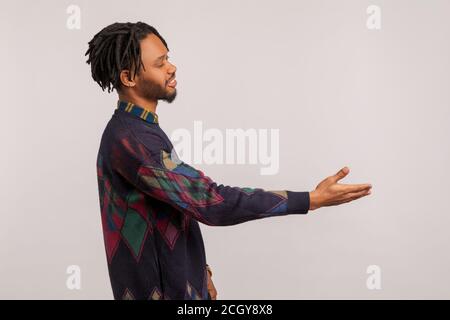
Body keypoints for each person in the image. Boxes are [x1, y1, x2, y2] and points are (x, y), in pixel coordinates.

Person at [86, 21, 372, 300]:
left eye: (168, 59)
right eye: (160, 63)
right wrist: (311, 199)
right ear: (129, 78)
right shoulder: (134, 141)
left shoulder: (140, 129)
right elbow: (211, 202)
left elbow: (175, 205)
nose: (171, 68)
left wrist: (201, 271)